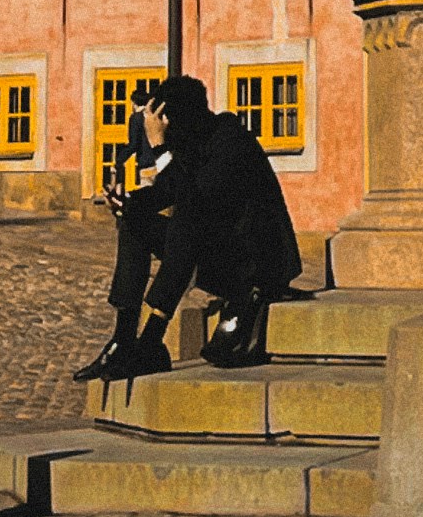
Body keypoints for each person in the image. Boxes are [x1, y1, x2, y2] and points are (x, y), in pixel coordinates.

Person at [74, 73, 305, 382]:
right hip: (222, 257)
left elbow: (194, 200)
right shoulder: (195, 141)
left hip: (258, 268)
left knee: (186, 221)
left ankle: (152, 340)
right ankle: (124, 339)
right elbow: (168, 192)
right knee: (134, 221)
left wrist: (158, 147)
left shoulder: (230, 140)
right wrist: (127, 202)